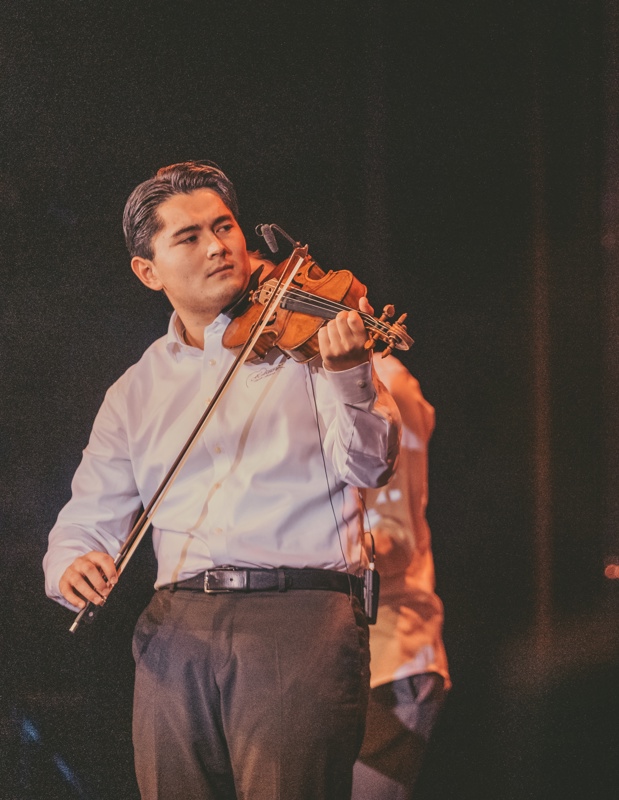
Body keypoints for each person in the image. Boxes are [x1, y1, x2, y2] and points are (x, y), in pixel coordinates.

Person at [43, 160, 401, 800]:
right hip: (174, 626)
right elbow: (87, 518)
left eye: (225, 226)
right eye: (189, 237)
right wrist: (72, 562)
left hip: (298, 616)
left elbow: (371, 464)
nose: (218, 246)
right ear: (147, 271)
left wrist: (350, 375)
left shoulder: (308, 348)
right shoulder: (136, 389)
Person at [352, 353, 449, 800]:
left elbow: (396, 538)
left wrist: (307, 549)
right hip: (328, 655)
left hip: (389, 656)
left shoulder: (386, 381)